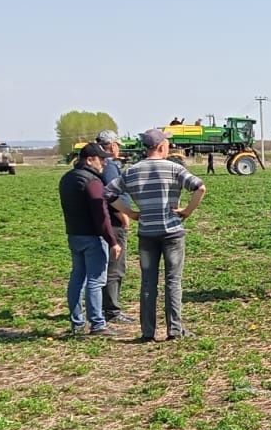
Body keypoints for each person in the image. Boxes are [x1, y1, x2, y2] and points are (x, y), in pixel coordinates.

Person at [106, 128, 205, 341]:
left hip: (147, 234)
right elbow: (200, 188)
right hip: (172, 233)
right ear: (161, 146)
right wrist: (187, 211)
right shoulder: (174, 169)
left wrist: (130, 212)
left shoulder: (131, 171)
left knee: (148, 283)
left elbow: (108, 193)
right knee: (173, 281)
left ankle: (147, 332)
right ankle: (174, 330)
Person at [59, 142, 122, 336]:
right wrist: (112, 240)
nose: (104, 163)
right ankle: (97, 324)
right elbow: (101, 213)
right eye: (101, 159)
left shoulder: (67, 179)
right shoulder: (92, 181)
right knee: (96, 280)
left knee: (77, 278)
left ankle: (77, 323)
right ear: (89, 159)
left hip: (74, 234)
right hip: (93, 237)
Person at [95, 129, 135, 324]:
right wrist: (124, 215)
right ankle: (112, 310)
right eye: (117, 144)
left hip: (103, 221)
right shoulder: (109, 166)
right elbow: (113, 193)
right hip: (115, 222)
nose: (118, 148)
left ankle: (102, 307)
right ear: (111, 146)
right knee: (115, 267)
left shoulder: (99, 164)